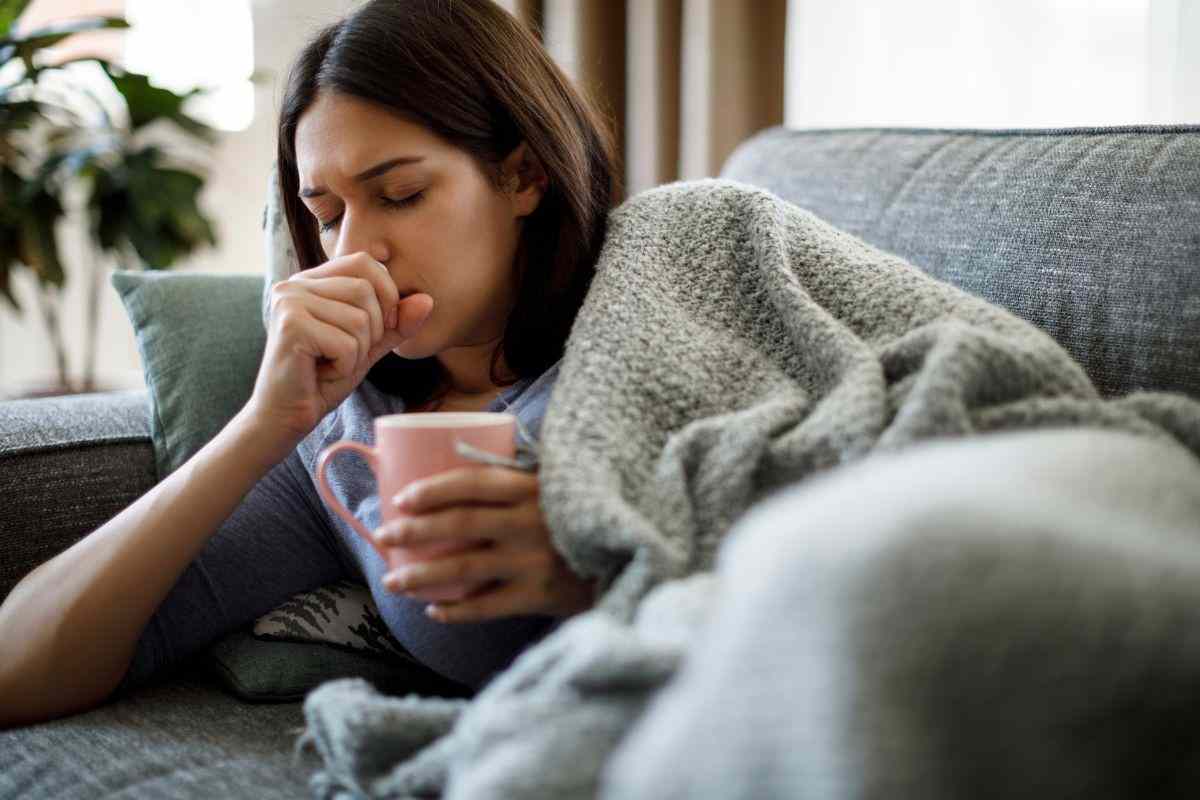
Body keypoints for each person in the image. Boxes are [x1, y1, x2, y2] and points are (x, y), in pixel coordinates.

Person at [0, 0, 616, 728]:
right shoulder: (346, 442)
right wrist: (266, 423)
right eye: (327, 214)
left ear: (525, 176)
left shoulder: (648, 327)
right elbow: (16, 672)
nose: (355, 250)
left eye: (401, 194)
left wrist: (602, 573)